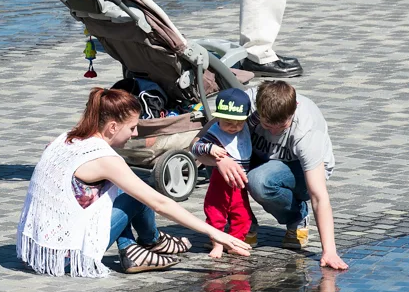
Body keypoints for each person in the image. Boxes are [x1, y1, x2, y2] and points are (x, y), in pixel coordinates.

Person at [17, 88, 250, 276]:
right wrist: (217, 233)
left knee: (119, 190)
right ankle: (148, 242)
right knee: (137, 194)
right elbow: (160, 204)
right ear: (112, 127)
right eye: (132, 127)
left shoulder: (64, 139)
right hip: (66, 258)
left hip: (35, 252)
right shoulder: (104, 158)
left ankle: (138, 246)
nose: (136, 134)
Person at [195, 80, 347, 270]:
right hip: (259, 158)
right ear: (258, 109)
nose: (273, 132)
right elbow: (199, 143)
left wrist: (329, 251)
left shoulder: (307, 131)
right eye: (267, 125)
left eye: (281, 127)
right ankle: (245, 224)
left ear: (293, 112)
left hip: (301, 170)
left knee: (260, 181)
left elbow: (318, 195)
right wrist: (220, 160)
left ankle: (297, 217)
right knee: (219, 153)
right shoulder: (244, 103)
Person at [191, 88, 258, 258]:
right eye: (228, 122)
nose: (234, 128)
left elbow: (261, 115)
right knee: (215, 211)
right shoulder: (215, 132)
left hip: (239, 182)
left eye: (238, 123)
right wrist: (210, 148)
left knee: (242, 215)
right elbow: (196, 147)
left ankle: (235, 242)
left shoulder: (246, 126)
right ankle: (217, 243)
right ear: (218, 117)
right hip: (220, 180)